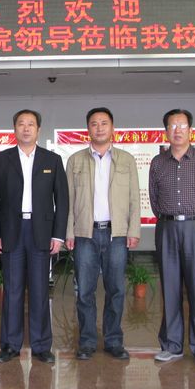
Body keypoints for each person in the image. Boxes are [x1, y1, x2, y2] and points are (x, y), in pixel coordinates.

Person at [0, 109, 69, 364]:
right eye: (21, 124)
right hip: (11, 231)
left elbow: (62, 201)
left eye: (30, 124)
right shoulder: (0, 160)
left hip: (41, 232)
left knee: (40, 290)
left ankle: (42, 345)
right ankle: (10, 345)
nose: (25, 128)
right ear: (14, 129)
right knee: (12, 291)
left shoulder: (52, 160)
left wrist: (58, 235)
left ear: (38, 130)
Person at [149, 108, 195, 367]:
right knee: (170, 288)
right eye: (172, 125)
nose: (177, 130)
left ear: (190, 130)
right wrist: (168, 218)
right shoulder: (158, 163)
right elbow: (154, 198)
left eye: (182, 125)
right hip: (167, 228)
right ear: (166, 131)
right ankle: (171, 345)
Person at [65, 107, 140, 361]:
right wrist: (69, 232)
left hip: (116, 234)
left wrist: (133, 230)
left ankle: (113, 341)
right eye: (94, 124)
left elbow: (134, 198)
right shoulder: (75, 160)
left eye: (104, 123)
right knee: (85, 291)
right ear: (88, 129)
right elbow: (68, 200)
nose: (99, 128)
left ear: (112, 128)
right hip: (85, 234)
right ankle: (87, 341)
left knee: (116, 289)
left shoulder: (126, 160)